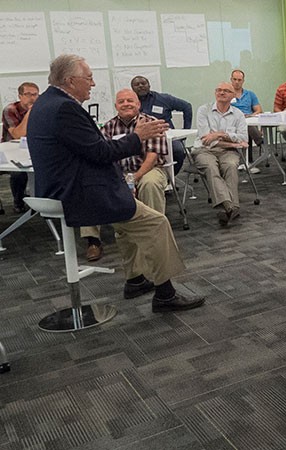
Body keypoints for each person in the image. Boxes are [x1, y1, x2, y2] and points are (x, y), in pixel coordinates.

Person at [29, 54, 204, 311]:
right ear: (70, 80)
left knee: (125, 223)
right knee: (156, 223)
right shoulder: (66, 108)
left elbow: (91, 150)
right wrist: (138, 137)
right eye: (89, 78)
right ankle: (165, 295)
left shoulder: (45, 103)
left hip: (58, 188)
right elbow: (101, 153)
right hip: (78, 191)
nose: (93, 83)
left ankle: (135, 280)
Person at [80, 89, 173, 262]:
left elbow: (152, 156)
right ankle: (93, 241)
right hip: (118, 172)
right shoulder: (108, 127)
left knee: (150, 183)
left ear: (138, 104)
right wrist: (119, 178)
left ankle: (154, 234)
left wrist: (134, 177)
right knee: (91, 186)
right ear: (116, 106)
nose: (126, 104)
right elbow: (103, 155)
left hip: (147, 169)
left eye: (130, 100)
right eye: (121, 101)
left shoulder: (152, 123)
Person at [194, 82, 249, 226]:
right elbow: (206, 141)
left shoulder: (238, 114)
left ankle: (228, 207)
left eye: (226, 91)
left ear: (233, 95)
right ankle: (230, 206)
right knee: (210, 167)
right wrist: (233, 143)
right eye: (219, 90)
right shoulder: (203, 110)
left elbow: (244, 138)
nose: (221, 93)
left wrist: (220, 134)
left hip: (228, 152)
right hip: (204, 151)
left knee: (231, 165)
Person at [132, 75, 192, 174]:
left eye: (143, 83)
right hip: (142, 137)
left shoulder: (163, 98)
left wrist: (186, 130)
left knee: (178, 150)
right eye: (137, 84)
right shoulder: (130, 103)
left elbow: (187, 106)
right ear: (132, 88)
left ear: (149, 85)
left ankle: (169, 178)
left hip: (166, 136)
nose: (141, 86)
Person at [1, 81, 37, 213]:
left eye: (35, 94)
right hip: (11, 153)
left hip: (31, 150)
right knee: (18, 173)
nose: (32, 98)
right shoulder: (10, 110)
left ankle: (40, 199)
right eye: (28, 94)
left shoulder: (41, 108)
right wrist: (30, 113)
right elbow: (17, 134)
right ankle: (19, 202)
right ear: (20, 96)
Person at [229, 69, 264, 159]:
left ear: (243, 81)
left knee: (247, 124)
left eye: (239, 80)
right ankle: (261, 143)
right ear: (231, 79)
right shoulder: (227, 94)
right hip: (233, 122)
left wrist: (250, 115)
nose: (237, 82)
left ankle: (249, 159)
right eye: (234, 79)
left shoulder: (250, 94)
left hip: (248, 119)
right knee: (246, 125)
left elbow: (259, 110)